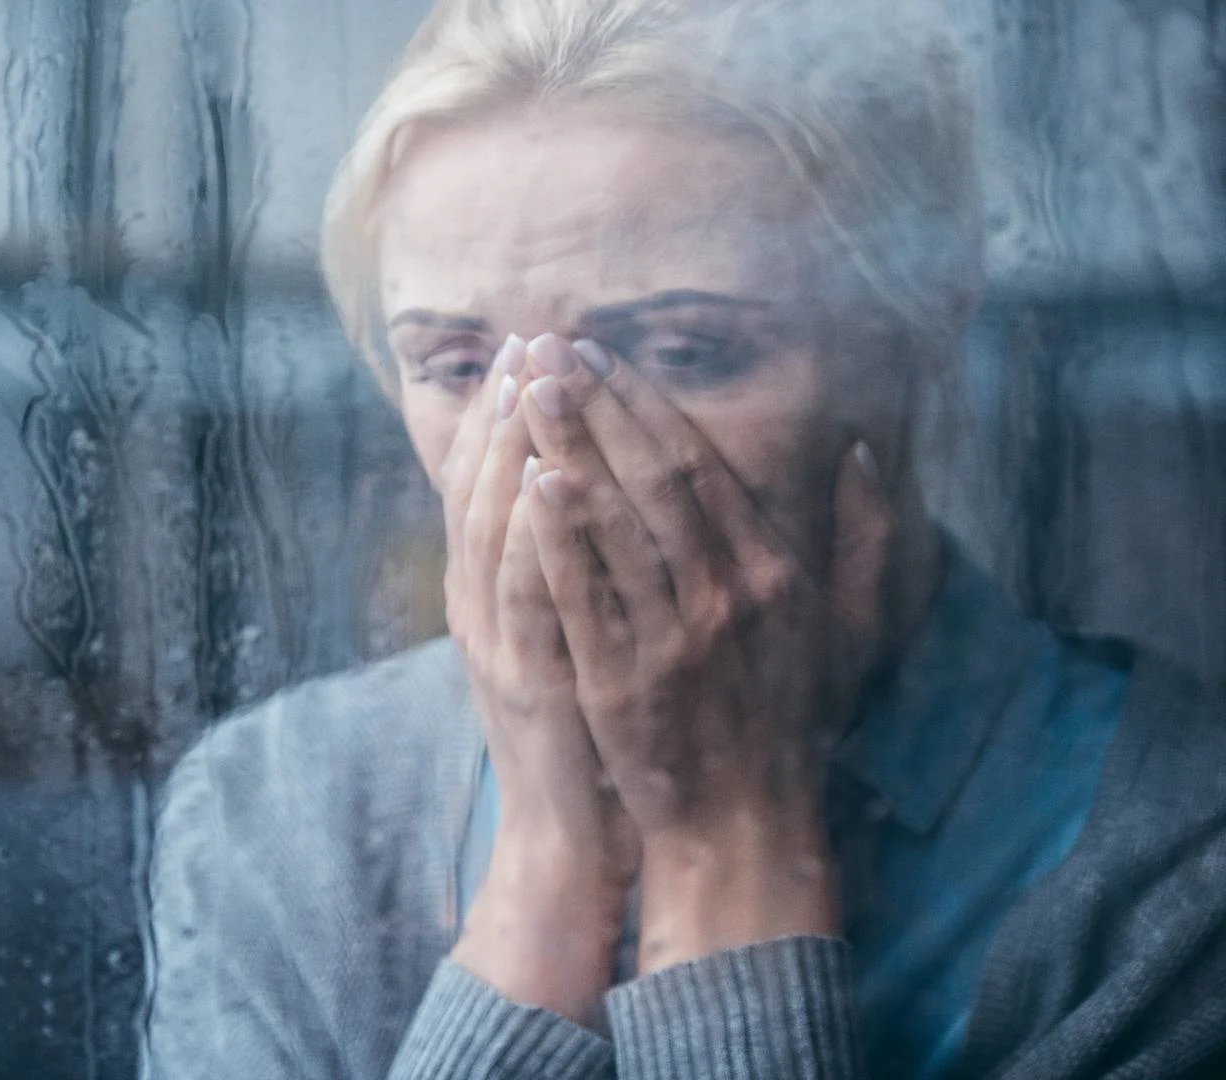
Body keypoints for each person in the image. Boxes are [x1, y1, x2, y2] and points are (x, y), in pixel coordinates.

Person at [139, 0, 1226, 1077]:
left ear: (916, 328)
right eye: (461, 368)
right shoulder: (279, 807)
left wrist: (731, 844)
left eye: (684, 350)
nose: (547, 460)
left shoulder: (1173, 861)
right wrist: (548, 872)